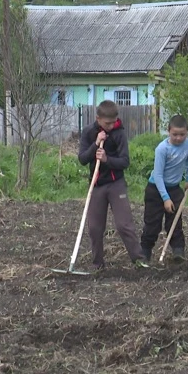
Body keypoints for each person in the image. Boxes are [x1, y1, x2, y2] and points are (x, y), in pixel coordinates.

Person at [78, 100, 148, 270]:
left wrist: (107, 160)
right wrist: (95, 144)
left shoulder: (119, 134)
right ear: (98, 118)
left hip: (116, 183)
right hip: (97, 185)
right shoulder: (88, 132)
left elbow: (124, 162)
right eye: (107, 123)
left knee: (124, 224)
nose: (110, 126)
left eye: (113, 122)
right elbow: (82, 159)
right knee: (95, 228)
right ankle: (97, 264)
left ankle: (138, 259)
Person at [140, 115, 188, 262]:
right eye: (175, 134)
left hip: (174, 188)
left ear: (187, 132)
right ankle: (144, 254)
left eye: (182, 134)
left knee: (175, 222)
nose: (178, 138)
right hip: (156, 189)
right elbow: (158, 175)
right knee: (152, 224)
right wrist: (165, 198)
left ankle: (178, 252)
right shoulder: (162, 149)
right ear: (168, 131)